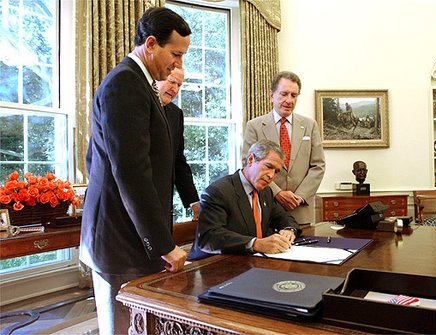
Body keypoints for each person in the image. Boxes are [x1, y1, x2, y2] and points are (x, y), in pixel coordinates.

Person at [80, 7, 191, 335]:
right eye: (175, 54)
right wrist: (163, 243)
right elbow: (131, 172)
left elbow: (95, 160)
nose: (177, 64)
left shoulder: (142, 85)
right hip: (119, 242)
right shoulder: (125, 84)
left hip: (130, 235)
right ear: (151, 44)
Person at [188, 139, 301, 260]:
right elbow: (209, 238)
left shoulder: (265, 192)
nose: (271, 176)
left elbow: (284, 217)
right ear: (251, 159)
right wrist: (256, 244)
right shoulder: (218, 191)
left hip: (251, 262)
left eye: (276, 171)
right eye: (268, 166)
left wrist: (289, 230)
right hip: (212, 265)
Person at [243, 71, 325, 225]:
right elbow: (247, 164)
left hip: (301, 210)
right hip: (266, 208)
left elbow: (318, 166)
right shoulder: (254, 126)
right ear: (271, 95)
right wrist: (278, 193)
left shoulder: (310, 125)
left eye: (294, 95)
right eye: (284, 94)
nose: (289, 100)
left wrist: (299, 197)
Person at [156, 68, 200, 220]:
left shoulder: (176, 114)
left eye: (179, 85)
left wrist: (194, 200)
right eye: (172, 81)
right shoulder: (139, 106)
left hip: (164, 202)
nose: (175, 88)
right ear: (157, 78)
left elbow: (178, 161)